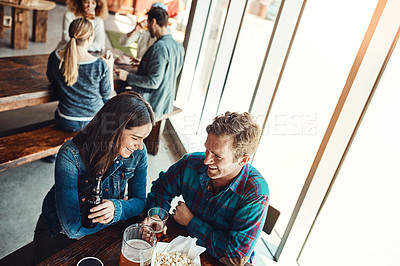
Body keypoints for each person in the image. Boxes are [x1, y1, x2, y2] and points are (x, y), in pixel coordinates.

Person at [33, 91, 155, 264]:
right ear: (114, 130)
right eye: (135, 138)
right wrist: (122, 211)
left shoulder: (138, 153)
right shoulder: (70, 155)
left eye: (143, 139)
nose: (140, 146)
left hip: (102, 229)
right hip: (59, 232)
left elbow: (140, 200)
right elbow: (73, 228)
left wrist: (117, 208)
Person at [145, 111, 270, 265]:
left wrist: (190, 221)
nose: (206, 160)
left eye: (217, 156)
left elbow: (236, 256)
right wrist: (158, 216)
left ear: (243, 160)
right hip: (182, 247)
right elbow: (162, 188)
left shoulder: (256, 193)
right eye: (207, 149)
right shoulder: (191, 162)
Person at [115, 6, 185, 118]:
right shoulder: (179, 47)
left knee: (114, 99)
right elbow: (169, 74)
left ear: (153, 22)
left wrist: (126, 76)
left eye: (148, 23)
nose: (147, 26)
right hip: (166, 102)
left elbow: (153, 82)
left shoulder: (159, 47)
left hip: (152, 104)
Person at [47, 17, 114, 133]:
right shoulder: (99, 65)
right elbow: (108, 95)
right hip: (93, 122)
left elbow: (52, 79)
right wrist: (110, 67)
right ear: (90, 38)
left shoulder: (55, 57)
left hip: (66, 120)